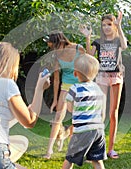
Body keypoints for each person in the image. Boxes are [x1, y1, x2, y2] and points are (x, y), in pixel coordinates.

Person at [79, 11, 128, 159]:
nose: (106, 27)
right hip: (102, 76)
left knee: (113, 112)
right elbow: (89, 55)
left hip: (116, 77)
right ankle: (97, 148)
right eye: (104, 25)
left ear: (114, 25)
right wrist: (88, 37)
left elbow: (125, 46)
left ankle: (111, 148)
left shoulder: (118, 39)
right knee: (99, 113)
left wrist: (119, 26)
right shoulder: (98, 42)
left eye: (109, 24)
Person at [43, 31, 86, 159]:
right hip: (65, 86)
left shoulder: (78, 48)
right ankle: (49, 150)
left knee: (78, 118)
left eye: (54, 47)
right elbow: (56, 80)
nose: (53, 50)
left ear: (61, 42)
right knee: (58, 118)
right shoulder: (57, 57)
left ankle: (77, 148)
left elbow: (90, 64)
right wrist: (55, 100)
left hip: (80, 86)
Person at [62, 54, 107, 169]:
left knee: (69, 159)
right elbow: (101, 110)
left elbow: (70, 108)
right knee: (97, 160)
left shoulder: (74, 88)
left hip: (83, 130)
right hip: (98, 130)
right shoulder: (98, 88)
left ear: (75, 73)